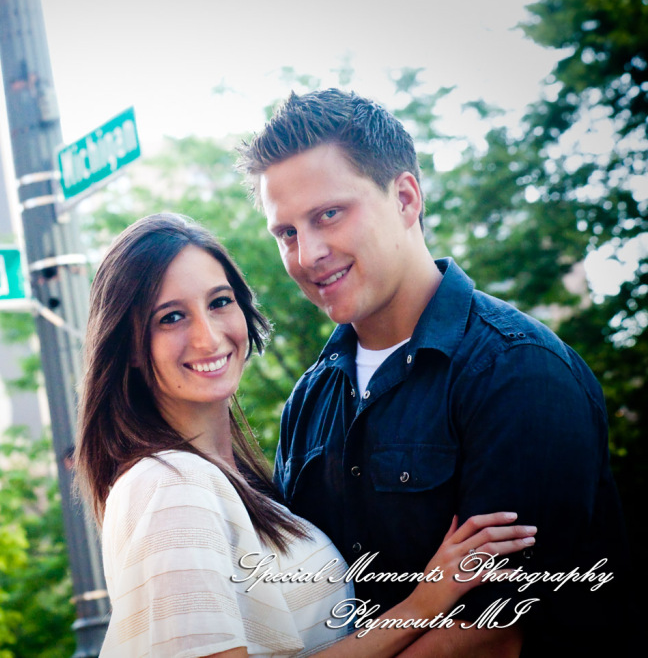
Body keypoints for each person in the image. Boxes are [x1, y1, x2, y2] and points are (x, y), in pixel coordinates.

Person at [236, 88, 631, 656]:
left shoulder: (516, 371)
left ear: (404, 198)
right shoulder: (310, 400)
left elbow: (494, 638)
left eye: (329, 214)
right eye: (287, 233)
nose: (309, 253)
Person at [75, 213, 536, 657]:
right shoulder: (168, 486)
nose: (209, 337)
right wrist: (421, 606)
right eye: (170, 318)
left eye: (219, 302)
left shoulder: (235, 481)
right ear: (130, 348)